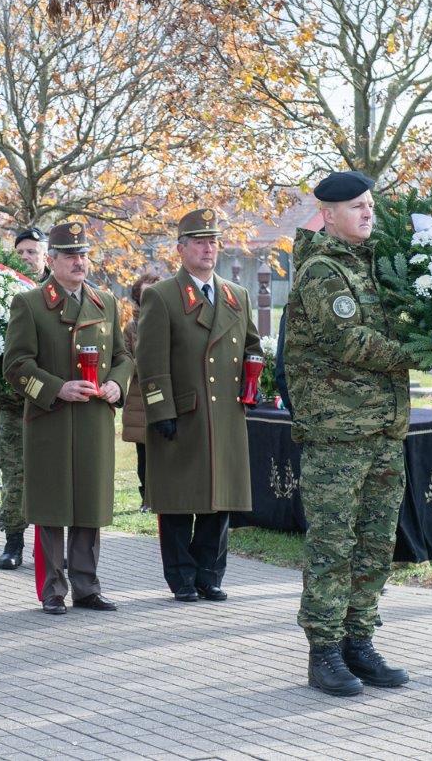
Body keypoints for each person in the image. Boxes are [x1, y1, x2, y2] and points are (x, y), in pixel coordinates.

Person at [284, 170, 415, 697]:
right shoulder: (321, 270)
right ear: (329, 214)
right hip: (337, 432)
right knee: (334, 544)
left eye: (369, 205)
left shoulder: (378, 267)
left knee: (376, 543)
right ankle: (324, 651)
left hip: (383, 427)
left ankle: (359, 641)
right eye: (356, 207)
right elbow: (348, 340)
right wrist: (422, 355)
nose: (367, 213)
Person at [3, 221, 132, 614]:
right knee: (51, 506)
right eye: (71, 255)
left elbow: (124, 357)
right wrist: (56, 388)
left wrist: (117, 385)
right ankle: (52, 589)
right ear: (52, 260)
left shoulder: (106, 302)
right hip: (51, 420)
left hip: (93, 419)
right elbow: (16, 365)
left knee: (88, 503)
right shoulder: (30, 303)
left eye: (84, 254)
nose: (80, 262)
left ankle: (87, 586)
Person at [138, 210, 261, 603]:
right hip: (184, 412)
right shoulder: (162, 296)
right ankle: (182, 578)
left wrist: (253, 383)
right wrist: (161, 412)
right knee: (178, 501)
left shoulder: (235, 295)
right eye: (199, 242)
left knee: (219, 499)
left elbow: (252, 347)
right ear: (181, 249)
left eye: (213, 242)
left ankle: (210, 575)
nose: (208, 249)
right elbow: (150, 364)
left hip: (225, 413)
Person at [0, 226, 49, 570]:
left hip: (52, 403)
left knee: (51, 474)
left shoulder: (57, 293)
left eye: (33, 252)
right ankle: (13, 539)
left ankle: (49, 544)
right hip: (13, 402)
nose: (26, 258)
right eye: (22, 252)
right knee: (14, 473)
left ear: (47, 256)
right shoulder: (0, 288)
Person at [120, 272, 160, 512]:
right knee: (144, 452)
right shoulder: (132, 327)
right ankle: (146, 498)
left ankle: (163, 496)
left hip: (167, 395)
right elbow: (124, 358)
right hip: (139, 399)